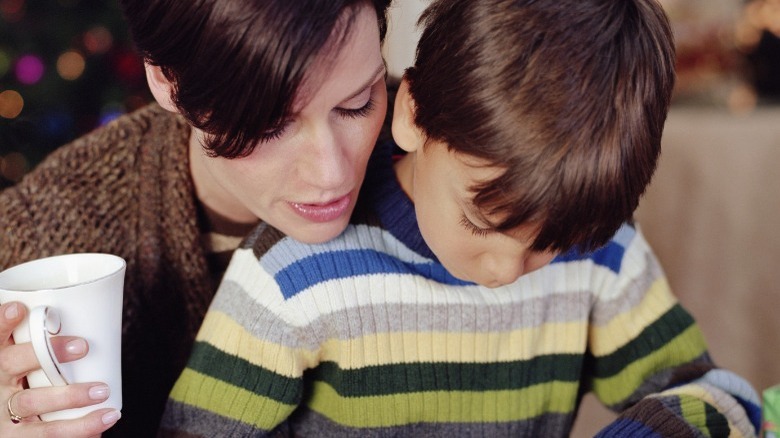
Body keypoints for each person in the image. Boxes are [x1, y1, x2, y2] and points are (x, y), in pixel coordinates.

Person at [159, 0, 763, 436]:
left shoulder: (604, 253)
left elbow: (724, 398)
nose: (506, 270)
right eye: (479, 222)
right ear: (412, 116)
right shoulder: (288, 278)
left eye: (550, 244)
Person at [0, 0, 392, 436]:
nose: (333, 173)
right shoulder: (38, 237)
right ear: (167, 79)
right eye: (269, 124)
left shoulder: (449, 156)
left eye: (358, 103)